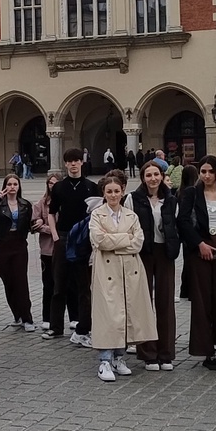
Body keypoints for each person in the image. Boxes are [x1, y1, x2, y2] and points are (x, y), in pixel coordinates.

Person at [88, 173, 155, 382]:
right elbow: (99, 240)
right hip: (107, 271)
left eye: (117, 191)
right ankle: (105, 360)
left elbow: (139, 242)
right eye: (109, 191)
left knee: (126, 311)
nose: (113, 195)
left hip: (130, 270)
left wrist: (115, 241)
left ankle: (119, 356)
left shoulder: (130, 215)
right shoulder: (97, 214)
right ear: (104, 193)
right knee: (108, 313)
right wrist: (125, 239)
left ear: (123, 192)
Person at [131, 161, 180, 371]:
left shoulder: (171, 199)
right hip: (143, 252)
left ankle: (166, 352)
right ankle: (148, 352)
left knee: (165, 301)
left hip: (165, 252)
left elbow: (177, 224)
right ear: (143, 178)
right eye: (148, 175)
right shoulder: (133, 199)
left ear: (161, 176)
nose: (153, 179)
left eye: (156, 174)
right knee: (143, 302)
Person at [48, 149, 100, 347]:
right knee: (59, 283)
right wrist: (54, 235)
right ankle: (55, 326)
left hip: (83, 240)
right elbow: (51, 212)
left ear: (82, 162)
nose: (73, 164)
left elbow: (96, 214)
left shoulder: (91, 187)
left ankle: (83, 325)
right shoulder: (59, 187)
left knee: (83, 286)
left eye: (76, 161)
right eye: (69, 161)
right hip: (63, 237)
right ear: (65, 164)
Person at [0, 173, 36, 331]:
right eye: (9, 184)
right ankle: (16, 314)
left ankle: (27, 317)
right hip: (1, 245)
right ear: (4, 186)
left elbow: (30, 223)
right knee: (8, 282)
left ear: (19, 187)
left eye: (15, 184)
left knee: (20, 281)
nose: (12, 187)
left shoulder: (25, 205)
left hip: (18, 244)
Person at [35, 172, 62, 333]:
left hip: (64, 249)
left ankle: (73, 318)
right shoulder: (41, 203)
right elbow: (34, 224)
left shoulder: (66, 202)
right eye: (50, 183)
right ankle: (47, 318)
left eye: (56, 183)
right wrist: (50, 229)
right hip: (47, 250)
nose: (53, 186)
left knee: (68, 286)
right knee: (48, 286)